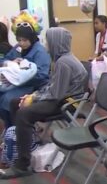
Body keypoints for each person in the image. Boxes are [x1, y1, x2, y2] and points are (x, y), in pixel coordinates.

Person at [0, 27, 88, 179]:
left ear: (56, 42)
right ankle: (25, 144)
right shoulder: (62, 58)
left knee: (23, 113)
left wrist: (33, 98)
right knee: (15, 102)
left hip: (68, 103)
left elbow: (56, 94)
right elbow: (52, 86)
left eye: (48, 40)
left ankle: (23, 164)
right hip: (62, 98)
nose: (45, 43)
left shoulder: (63, 62)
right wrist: (33, 95)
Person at [0, 24, 50, 129]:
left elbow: (42, 75)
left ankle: (17, 130)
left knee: (8, 99)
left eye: (24, 40)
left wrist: (19, 78)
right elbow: (3, 60)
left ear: (31, 38)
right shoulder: (18, 48)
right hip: (16, 84)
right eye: (19, 40)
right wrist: (10, 62)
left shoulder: (40, 51)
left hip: (34, 85)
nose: (21, 43)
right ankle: (10, 128)